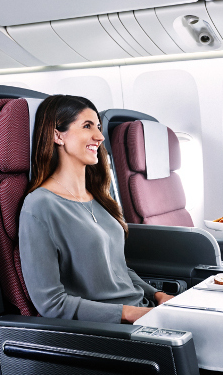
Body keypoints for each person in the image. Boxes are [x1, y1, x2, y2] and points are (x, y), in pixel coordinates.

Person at [19, 94, 174, 324]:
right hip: (110, 329)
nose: (100, 136)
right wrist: (127, 313)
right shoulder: (39, 206)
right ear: (57, 135)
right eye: (87, 126)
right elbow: (51, 303)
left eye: (99, 127)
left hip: (143, 312)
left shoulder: (101, 197)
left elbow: (118, 271)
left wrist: (157, 295)